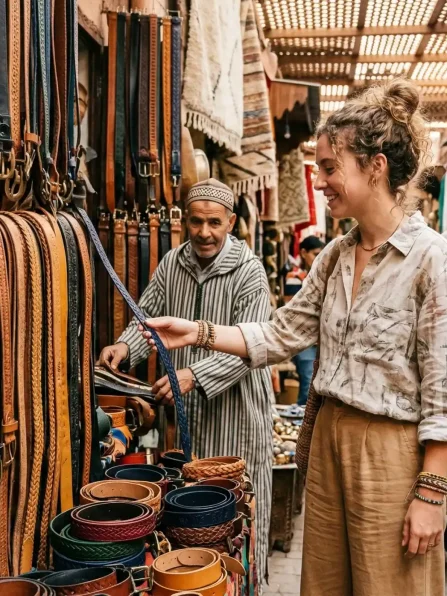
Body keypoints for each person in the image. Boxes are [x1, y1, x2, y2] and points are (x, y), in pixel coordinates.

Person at [140, 80, 447, 595]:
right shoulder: (334, 256)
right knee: (325, 585)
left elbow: (443, 384)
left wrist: (432, 493)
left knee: (393, 586)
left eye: (330, 167)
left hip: (391, 453)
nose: (321, 181)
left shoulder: (430, 259)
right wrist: (197, 331)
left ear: (375, 166)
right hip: (327, 443)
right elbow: (282, 333)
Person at [99, 178, 273, 583]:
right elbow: (148, 317)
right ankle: (197, 582)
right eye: (196, 222)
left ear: (230, 222)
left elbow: (254, 345)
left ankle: (243, 585)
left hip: (237, 412)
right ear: (184, 223)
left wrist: (194, 374)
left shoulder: (250, 273)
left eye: (214, 223)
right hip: (189, 412)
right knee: (194, 512)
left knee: (236, 512)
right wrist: (124, 349)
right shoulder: (172, 263)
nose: (205, 232)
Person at [285, 236, 325, 406]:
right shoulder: (295, 276)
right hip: (304, 341)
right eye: (315, 254)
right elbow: (292, 309)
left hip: (318, 340)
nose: (319, 258)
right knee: (308, 386)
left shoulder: (320, 275)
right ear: (303, 252)